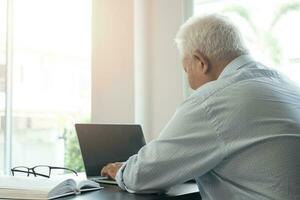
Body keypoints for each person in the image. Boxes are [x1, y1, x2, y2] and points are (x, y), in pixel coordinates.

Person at [100, 14, 300, 199]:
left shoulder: (212, 100)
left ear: (200, 61)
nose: (189, 81)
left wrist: (120, 170)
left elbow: (141, 176)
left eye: (186, 70)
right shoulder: (288, 85)